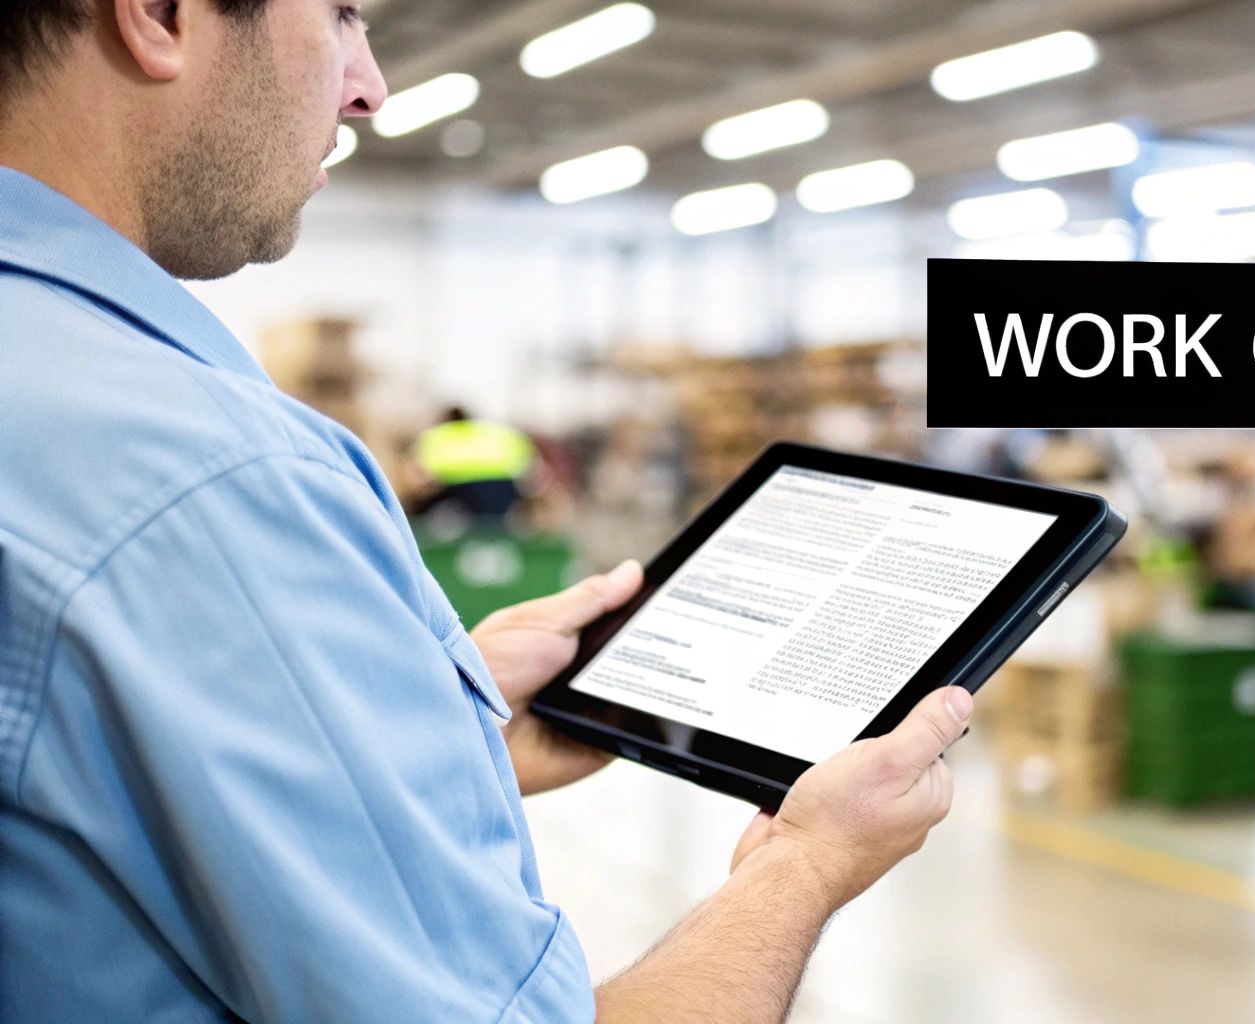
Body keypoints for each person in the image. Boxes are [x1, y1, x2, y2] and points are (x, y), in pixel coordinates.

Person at [0, 1, 970, 1021]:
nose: (371, 85)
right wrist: (805, 861)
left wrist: (431, 725)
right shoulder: (209, 481)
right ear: (158, 16)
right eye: (338, 15)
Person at [409, 405, 538, 522]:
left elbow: (422, 477)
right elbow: (527, 462)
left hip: (460, 484)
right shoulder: (495, 432)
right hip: (502, 481)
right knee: (495, 521)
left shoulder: (438, 435)